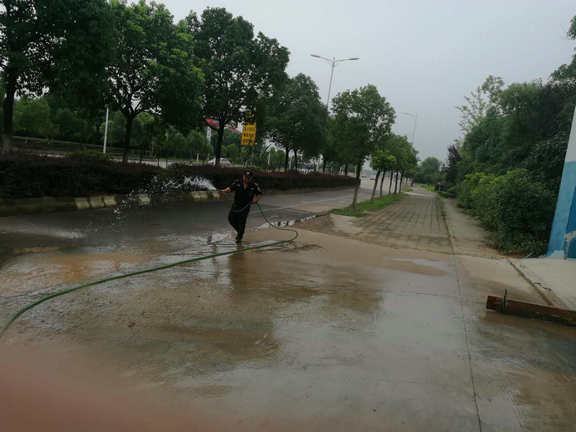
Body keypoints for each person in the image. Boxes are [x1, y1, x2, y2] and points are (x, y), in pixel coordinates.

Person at [219, 170, 263, 243]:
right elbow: (229, 189)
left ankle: (239, 237)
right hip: (236, 205)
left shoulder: (254, 185)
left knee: (242, 222)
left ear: (251, 178)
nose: (246, 178)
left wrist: (256, 200)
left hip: (245, 206)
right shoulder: (237, 183)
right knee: (231, 219)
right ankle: (240, 232)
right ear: (243, 176)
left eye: (248, 177)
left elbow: (259, 194)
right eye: (245, 177)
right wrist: (224, 191)